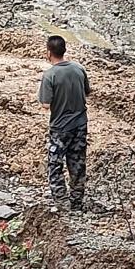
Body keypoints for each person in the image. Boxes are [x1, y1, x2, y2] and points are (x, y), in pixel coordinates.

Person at [38, 35, 91, 211]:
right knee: (77, 161)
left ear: (48, 52)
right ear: (64, 50)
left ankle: (61, 201)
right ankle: (77, 200)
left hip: (60, 127)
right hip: (81, 124)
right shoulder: (78, 69)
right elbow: (87, 92)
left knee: (55, 163)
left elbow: (45, 104)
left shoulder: (50, 75)